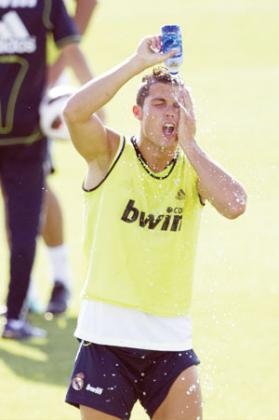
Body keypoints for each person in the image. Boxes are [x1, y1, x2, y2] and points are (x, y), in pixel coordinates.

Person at [63, 35, 247, 420]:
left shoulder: (192, 169)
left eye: (178, 107)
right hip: (106, 340)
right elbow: (75, 113)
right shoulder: (110, 154)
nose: (170, 113)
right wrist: (136, 63)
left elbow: (234, 204)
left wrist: (192, 146)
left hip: (170, 343)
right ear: (137, 111)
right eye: (159, 103)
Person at [0, 0, 94, 339]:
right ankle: (14, 318)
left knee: (23, 222)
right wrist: (95, 102)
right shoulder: (45, 3)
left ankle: (41, 293)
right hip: (27, 133)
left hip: (28, 132)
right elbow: (71, 46)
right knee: (24, 222)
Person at [26, 0, 101, 316]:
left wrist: (56, 68)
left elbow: (86, 4)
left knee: (32, 183)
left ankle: (58, 279)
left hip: (36, 85)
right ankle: (23, 287)